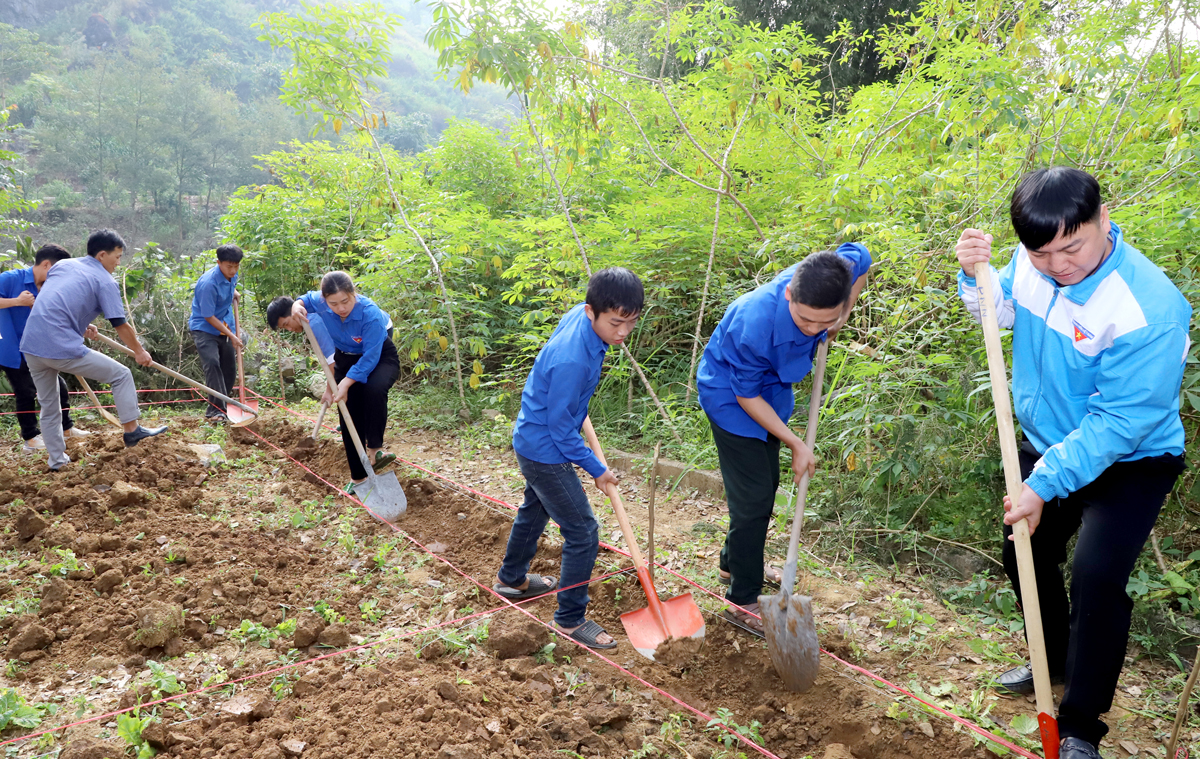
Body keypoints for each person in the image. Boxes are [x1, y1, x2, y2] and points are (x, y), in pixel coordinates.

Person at [955, 167, 1189, 759]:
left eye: (1072, 247)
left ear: (1102, 219)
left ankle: (1082, 725)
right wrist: (973, 275)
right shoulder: (1032, 263)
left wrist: (1045, 482)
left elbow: (1120, 422)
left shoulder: (1151, 308)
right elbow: (998, 312)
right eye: (1041, 253)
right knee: (1024, 550)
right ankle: (1050, 657)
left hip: (1131, 457)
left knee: (1096, 578)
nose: (1059, 265)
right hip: (1048, 441)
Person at [697, 244, 871, 637]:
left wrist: (842, 314)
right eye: (806, 321)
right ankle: (741, 596)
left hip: (773, 396)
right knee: (754, 499)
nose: (814, 329)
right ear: (790, 294)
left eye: (821, 322)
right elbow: (746, 395)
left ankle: (733, 561)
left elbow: (862, 256)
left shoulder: (832, 272)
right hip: (732, 399)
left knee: (764, 486)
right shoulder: (754, 320)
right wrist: (797, 443)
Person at [493, 267, 643, 650]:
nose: (623, 332)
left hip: (533, 437)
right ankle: (570, 619)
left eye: (630, 322)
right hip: (546, 450)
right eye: (615, 323)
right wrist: (598, 469)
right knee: (583, 531)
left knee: (535, 508)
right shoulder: (572, 360)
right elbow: (561, 432)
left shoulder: (582, 316)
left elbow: (563, 408)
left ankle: (511, 579)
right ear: (592, 312)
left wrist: (574, 404)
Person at [19, 229, 167, 470]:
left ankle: (57, 461)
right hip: (59, 346)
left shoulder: (64, 265)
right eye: (117, 257)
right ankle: (132, 431)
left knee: (49, 405)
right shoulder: (105, 281)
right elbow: (119, 323)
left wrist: (79, 321)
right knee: (121, 375)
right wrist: (139, 351)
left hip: (32, 345)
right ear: (101, 255)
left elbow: (55, 297)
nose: (119, 263)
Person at [266, 272, 399, 493]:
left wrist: (345, 383)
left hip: (377, 353)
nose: (341, 308)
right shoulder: (318, 304)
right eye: (333, 303)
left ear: (353, 293)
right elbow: (305, 298)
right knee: (347, 409)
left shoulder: (370, 315)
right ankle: (358, 478)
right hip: (346, 354)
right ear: (325, 300)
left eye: (345, 301)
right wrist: (298, 305)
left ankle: (375, 449)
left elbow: (369, 357)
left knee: (373, 389)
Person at [0, 244, 92, 454]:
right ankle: (30, 438)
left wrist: (84, 325)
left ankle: (66, 428)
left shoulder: (50, 286)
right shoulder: (10, 278)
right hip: (11, 346)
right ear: (46, 264)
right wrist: (17, 301)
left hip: (38, 346)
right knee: (25, 391)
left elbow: (59, 314)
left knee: (58, 386)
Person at [188, 244, 243, 422]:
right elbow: (208, 316)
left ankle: (223, 406)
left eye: (236, 266)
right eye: (229, 266)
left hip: (224, 323)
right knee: (212, 364)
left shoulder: (231, 276)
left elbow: (228, 287)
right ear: (218, 262)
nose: (233, 270)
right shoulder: (208, 284)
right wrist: (233, 336)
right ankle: (216, 411)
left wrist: (233, 292)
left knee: (229, 368)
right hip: (204, 328)